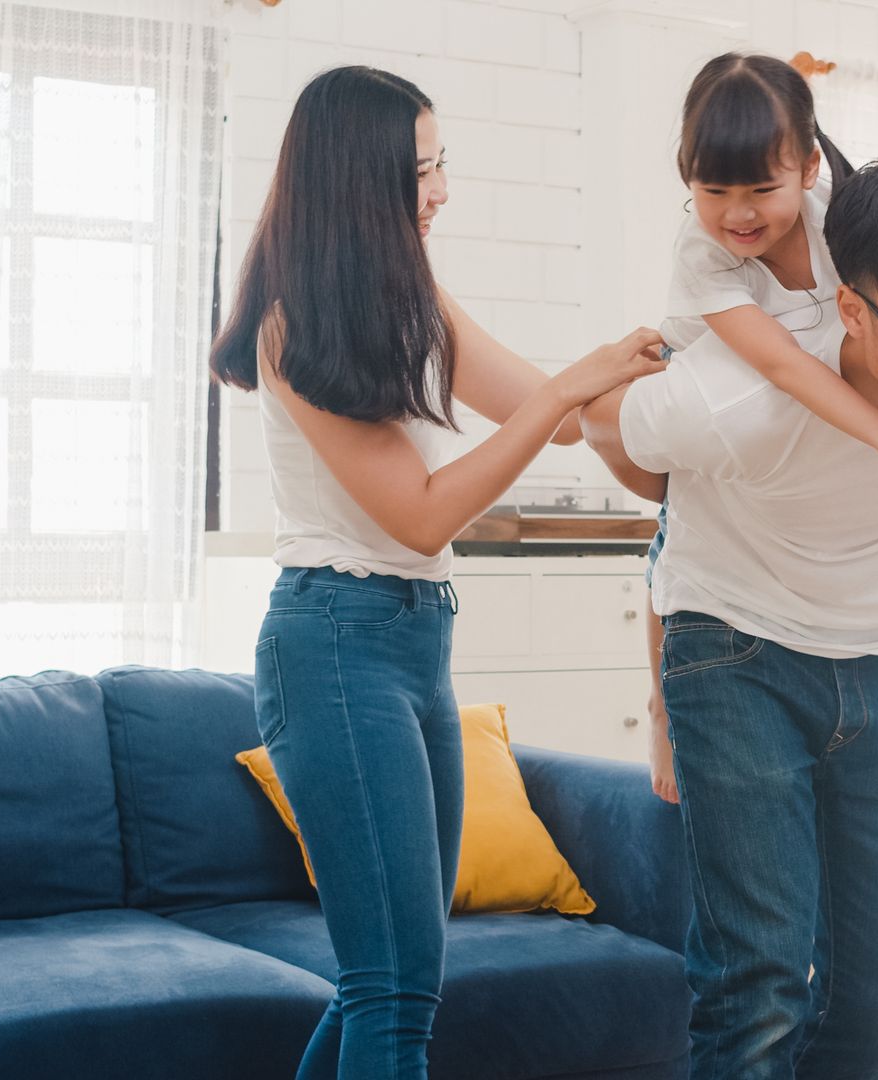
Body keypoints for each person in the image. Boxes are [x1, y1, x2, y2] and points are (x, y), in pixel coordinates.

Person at [208, 65, 664, 1079]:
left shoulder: (412, 296)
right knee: (396, 987)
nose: (443, 188)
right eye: (424, 169)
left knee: (401, 976)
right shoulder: (291, 321)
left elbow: (546, 402)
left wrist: (676, 400)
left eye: (441, 162)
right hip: (333, 643)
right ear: (362, 180)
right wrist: (566, 399)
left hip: (416, 645)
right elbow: (420, 517)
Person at [582, 158, 878, 1080]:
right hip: (738, 653)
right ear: (850, 311)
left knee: (876, 992)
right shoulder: (732, 402)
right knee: (757, 985)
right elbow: (601, 421)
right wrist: (677, 488)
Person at [642, 53, 878, 805]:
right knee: (675, 536)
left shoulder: (844, 214)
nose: (739, 214)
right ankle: (664, 705)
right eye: (712, 190)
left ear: (809, 166)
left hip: (817, 429)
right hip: (713, 366)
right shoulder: (702, 252)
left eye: (764, 188)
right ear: (685, 176)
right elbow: (787, 366)